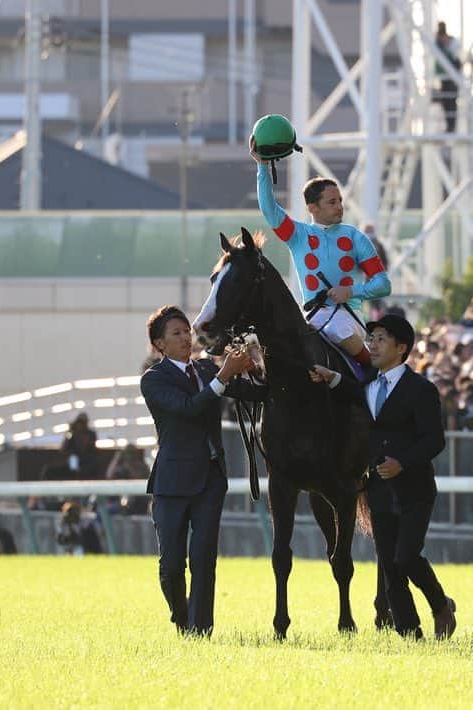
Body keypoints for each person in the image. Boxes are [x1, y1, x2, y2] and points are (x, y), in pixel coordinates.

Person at [310, 314, 456, 640]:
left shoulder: (421, 389)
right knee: (390, 564)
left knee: (406, 556)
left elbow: (435, 440)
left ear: (401, 348)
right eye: (371, 338)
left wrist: (403, 462)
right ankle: (409, 633)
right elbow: (350, 391)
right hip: (378, 488)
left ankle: (440, 605)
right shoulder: (369, 386)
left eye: (380, 340)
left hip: (414, 489)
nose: (371, 346)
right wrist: (330, 376)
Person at [140, 305, 264, 636]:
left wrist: (256, 362)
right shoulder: (153, 380)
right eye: (176, 334)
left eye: (186, 331)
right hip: (170, 482)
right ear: (159, 344)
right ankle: (182, 619)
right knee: (170, 567)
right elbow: (189, 408)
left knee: (203, 559)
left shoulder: (208, 369)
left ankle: (200, 631)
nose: (185, 337)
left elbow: (256, 393)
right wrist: (225, 375)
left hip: (210, 479)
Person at [251, 132, 391, 382]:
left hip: (348, 319)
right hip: (311, 318)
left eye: (340, 201)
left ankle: (374, 379)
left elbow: (383, 285)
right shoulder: (297, 234)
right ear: (312, 208)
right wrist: (262, 166)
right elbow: (269, 209)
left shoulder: (356, 238)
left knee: (336, 327)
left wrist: (351, 292)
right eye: (331, 202)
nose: (339, 207)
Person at [433, 21, 461, 133]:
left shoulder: (449, 42)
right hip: (445, 77)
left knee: (450, 102)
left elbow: (455, 57)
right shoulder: (439, 42)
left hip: (451, 77)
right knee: (447, 102)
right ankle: (450, 126)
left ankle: (451, 126)